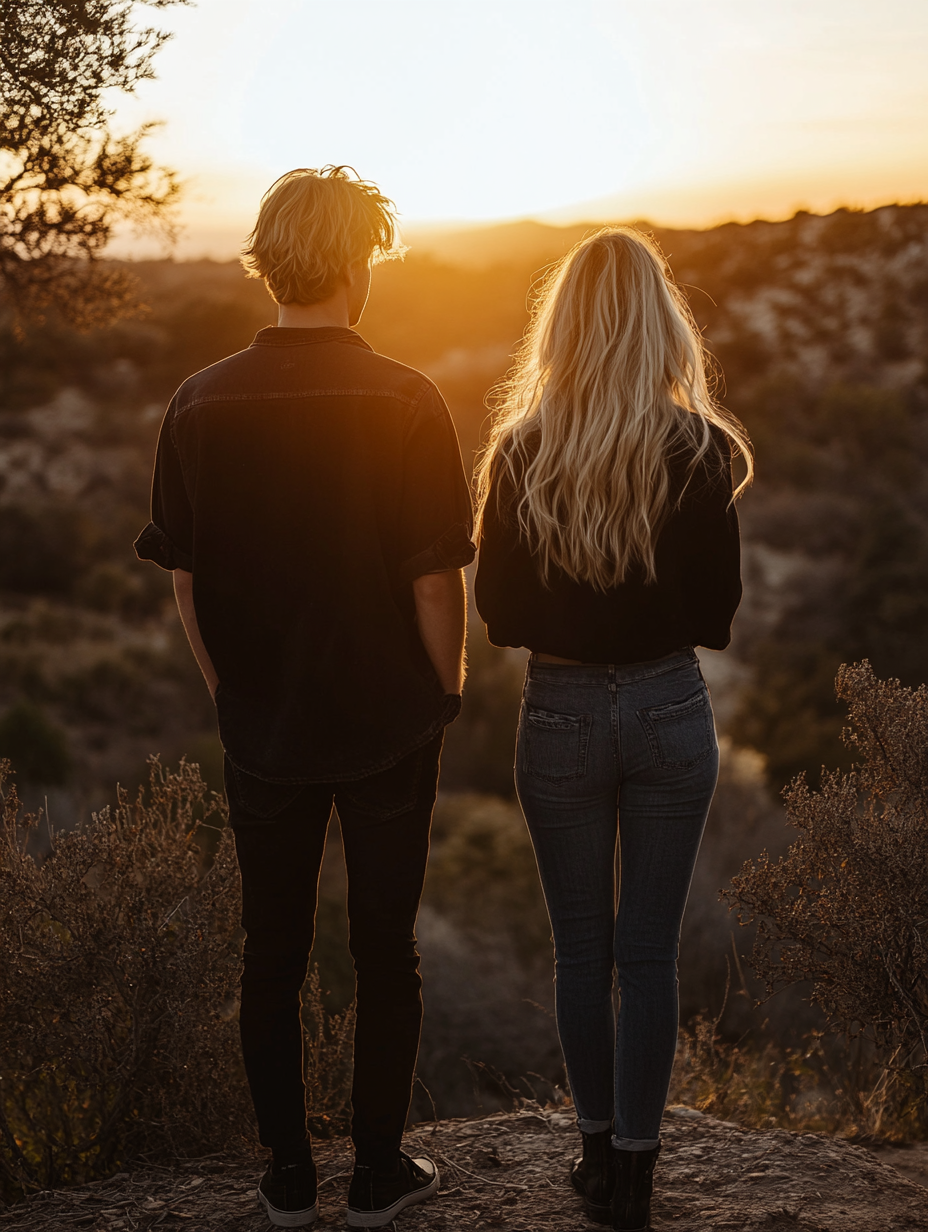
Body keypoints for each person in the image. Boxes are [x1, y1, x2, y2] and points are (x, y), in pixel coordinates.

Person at [135, 166, 474, 1230]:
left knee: (269, 953)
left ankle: (285, 1174)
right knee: (386, 949)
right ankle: (377, 1171)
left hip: (263, 725)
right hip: (386, 721)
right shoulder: (407, 396)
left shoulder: (198, 400)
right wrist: (447, 685)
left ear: (268, 261)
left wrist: (228, 689)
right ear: (358, 263)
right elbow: (435, 576)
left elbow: (183, 577)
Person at [473, 227, 752, 1232]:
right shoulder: (704, 449)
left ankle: (594, 1156)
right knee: (649, 954)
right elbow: (715, 613)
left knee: (580, 950)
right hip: (672, 707)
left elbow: (497, 614)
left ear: (564, 327)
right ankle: (636, 1173)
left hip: (558, 710)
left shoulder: (519, 450)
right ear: (656, 324)